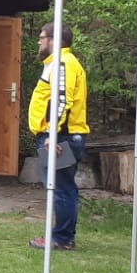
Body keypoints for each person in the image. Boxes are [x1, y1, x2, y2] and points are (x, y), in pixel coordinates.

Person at [28, 23, 90, 251]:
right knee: (60, 187)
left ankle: (62, 239)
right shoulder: (57, 63)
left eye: (42, 37)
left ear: (54, 39)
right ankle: (62, 236)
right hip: (59, 134)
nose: (39, 41)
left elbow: (62, 100)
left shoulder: (63, 63)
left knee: (60, 188)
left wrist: (52, 134)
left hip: (61, 136)